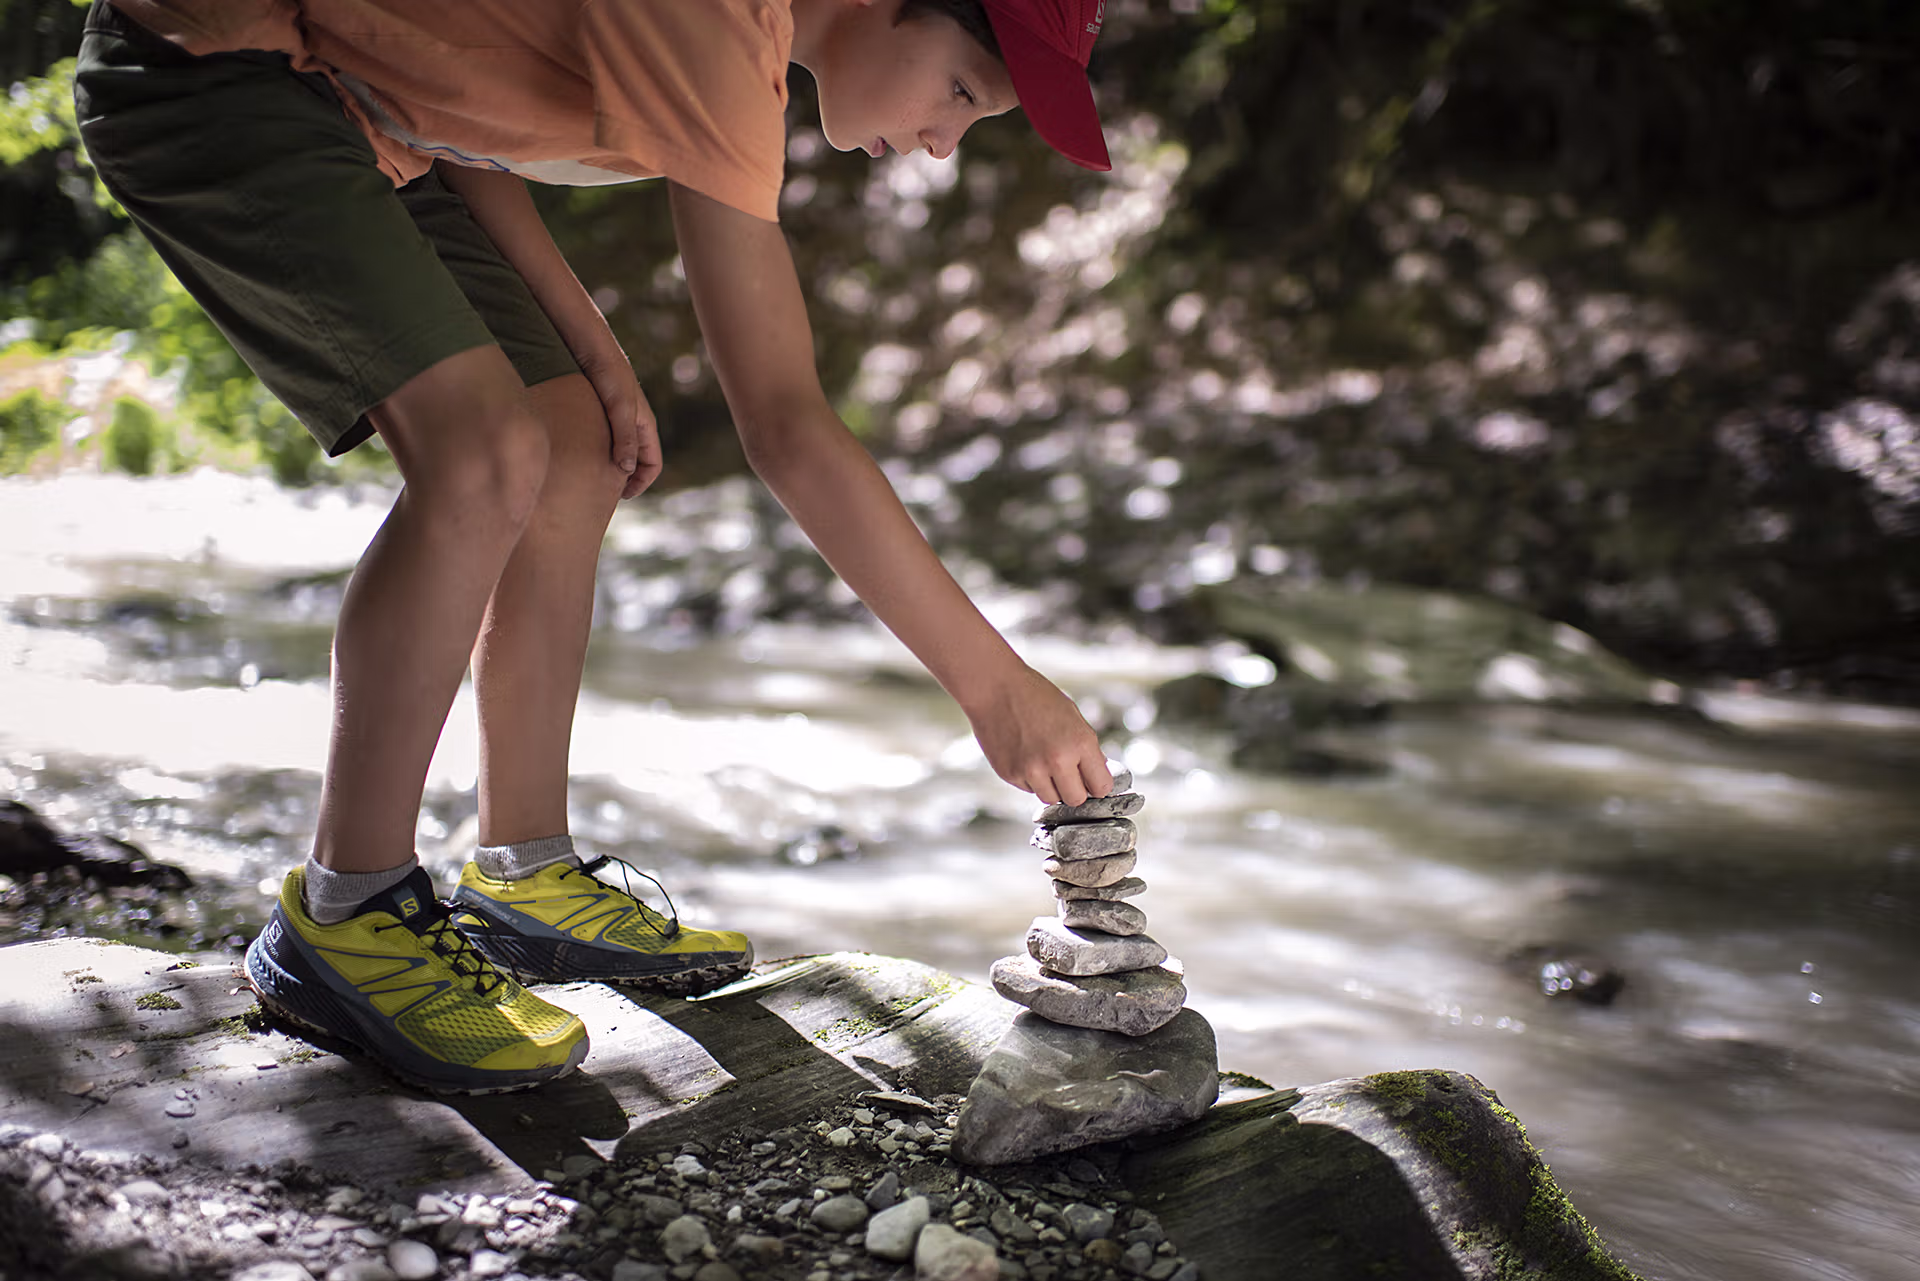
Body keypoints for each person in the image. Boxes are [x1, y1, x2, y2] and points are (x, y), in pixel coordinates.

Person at [72, 0, 1117, 1095]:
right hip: (208, 68)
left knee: (570, 441)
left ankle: (522, 870)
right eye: (961, 92)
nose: (946, 145)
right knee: (482, 454)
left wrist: (590, 344)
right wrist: (996, 688)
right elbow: (785, 426)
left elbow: (463, 102)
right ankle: (345, 911)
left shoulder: (738, 52)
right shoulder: (721, 25)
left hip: (380, 123)